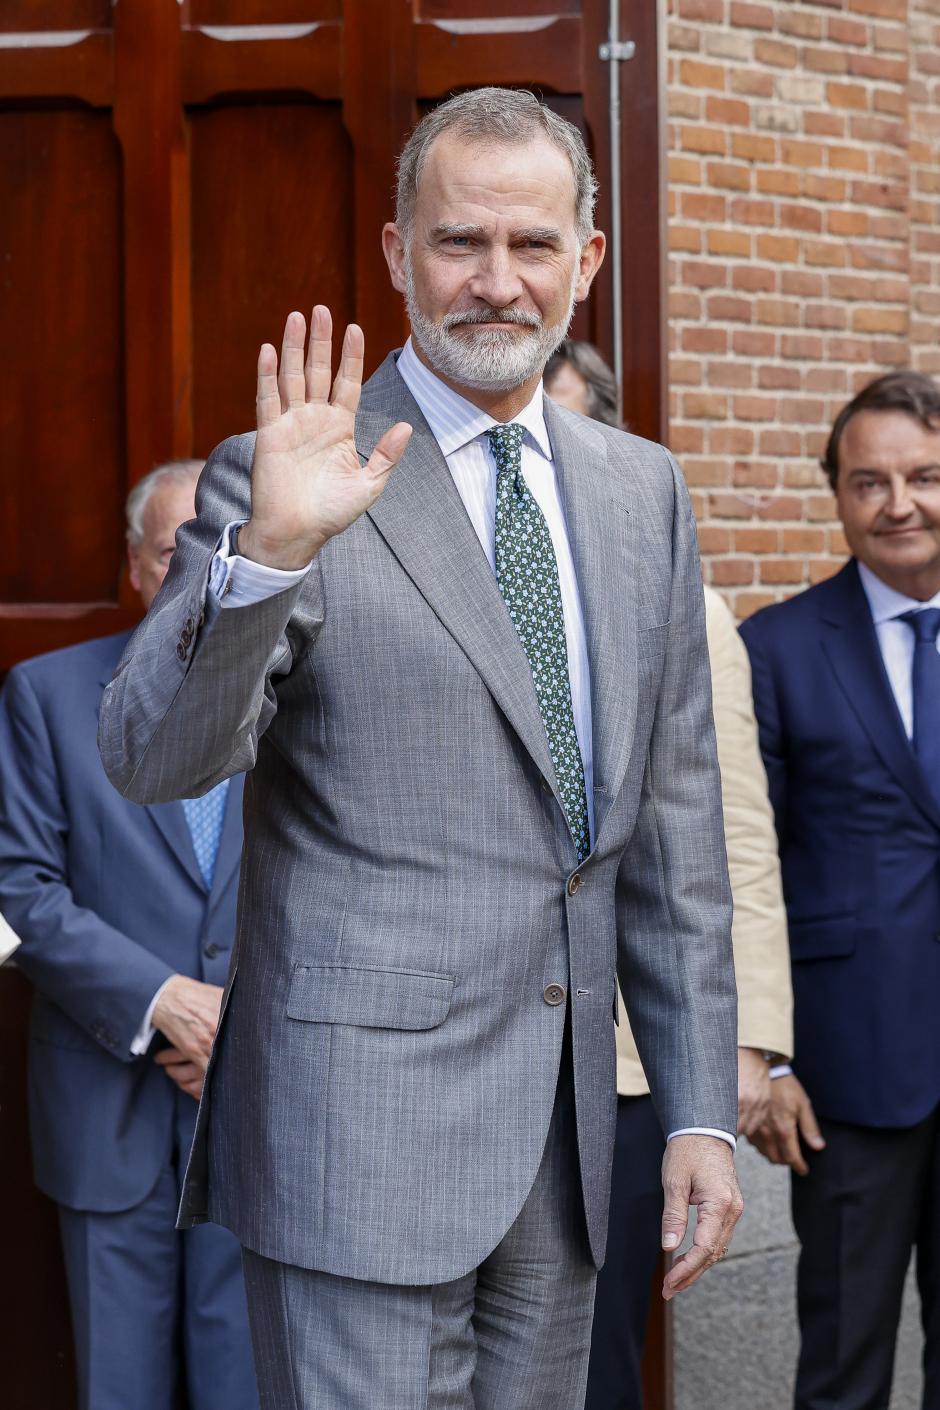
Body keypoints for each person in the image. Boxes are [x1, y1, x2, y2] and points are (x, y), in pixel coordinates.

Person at [98, 87, 742, 1410]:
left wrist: (694, 1107)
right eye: (459, 242)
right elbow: (156, 757)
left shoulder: (642, 491)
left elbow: (672, 839)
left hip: (564, 1154)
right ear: (397, 254)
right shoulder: (283, 474)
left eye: (533, 245)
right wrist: (269, 554)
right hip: (357, 1144)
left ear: (588, 263)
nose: (497, 282)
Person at [547, 345, 794, 1410]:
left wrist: (745, 1040)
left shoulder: (679, 604)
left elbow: (729, 831)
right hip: (462, 1056)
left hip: (623, 1063)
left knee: (598, 1360)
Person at [0, 462, 259, 1410]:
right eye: (173, 551)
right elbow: (12, 890)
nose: (198, 572)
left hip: (261, 1121)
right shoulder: (45, 695)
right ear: (137, 569)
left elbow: (346, 889)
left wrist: (248, 1025)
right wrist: (163, 1001)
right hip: (106, 1121)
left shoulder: (299, 701)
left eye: (219, 551)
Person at [740, 370, 940, 1410]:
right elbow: (742, 863)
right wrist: (764, 1057)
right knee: (844, 1370)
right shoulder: (774, 648)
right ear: (836, 494)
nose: (897, 503)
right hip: (851, 1077)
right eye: (869, 481)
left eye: (922, 476)